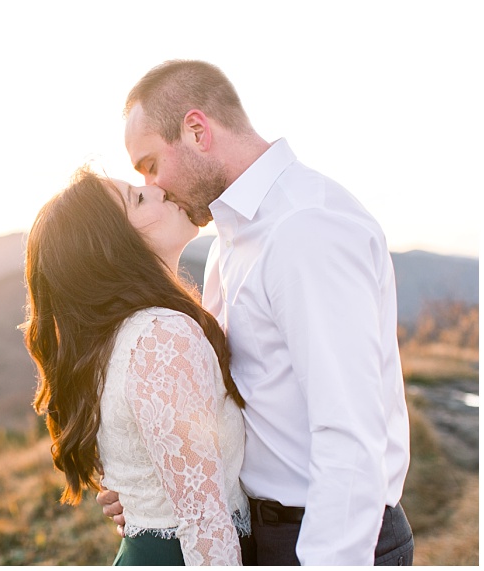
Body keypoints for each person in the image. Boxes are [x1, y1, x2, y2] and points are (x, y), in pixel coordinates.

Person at [96, 59, 414, 566]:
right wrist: (150, 486)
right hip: (262, 533)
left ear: (197, 131)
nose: (155, 187)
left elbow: (349, 432)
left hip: (324, 539)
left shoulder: (305, 227)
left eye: (151, 165)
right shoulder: (233, 237)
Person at [22, 167, 251, 565]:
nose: (157, 188)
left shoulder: (121, 337)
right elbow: (203, 520)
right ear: (114, 249)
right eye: (138, 198)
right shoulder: (161, 336)